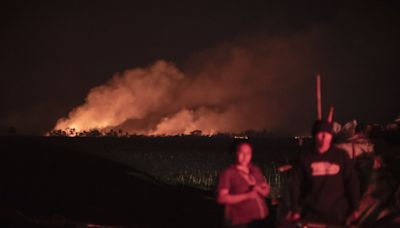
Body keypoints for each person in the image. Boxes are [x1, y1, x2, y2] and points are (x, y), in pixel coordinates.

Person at [290, 120, 360, 226]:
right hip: (311, 214)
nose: (324, 136)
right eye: (320, 133)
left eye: (327, 133)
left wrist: (355, 207)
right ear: (314, 135)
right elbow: (295, 184)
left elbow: (351, 182)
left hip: (337, 214)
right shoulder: (305, 157)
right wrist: (295, 210)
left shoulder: (341, 156)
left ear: (331, 136)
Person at [217, 139, 270, 228]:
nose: (245, 156)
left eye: (248, 153)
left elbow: (265, 191)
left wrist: (262, 189)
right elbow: (221, 198)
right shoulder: (228, 173)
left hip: (258, 221)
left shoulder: (255, 170)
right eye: (241, 153)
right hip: (239, 222)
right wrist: (247, 196)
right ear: (235, 153)